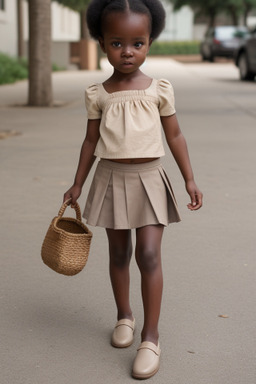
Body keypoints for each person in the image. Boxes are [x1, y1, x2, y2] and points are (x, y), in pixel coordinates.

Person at [64, 0, 203, 379]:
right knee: (120, 253)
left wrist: (189, 177)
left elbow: (174, 134)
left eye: (138, 42)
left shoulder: (159, 88)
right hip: (110, 179)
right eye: (116, 42)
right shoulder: (98, 92)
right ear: (101, 42)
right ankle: (124, 316)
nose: (127, 51)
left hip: (150, 179)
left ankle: (151, 336)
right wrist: (78, 182)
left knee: (149, 254)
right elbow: (90, 142)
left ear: (150, 42)